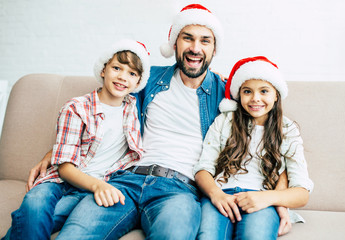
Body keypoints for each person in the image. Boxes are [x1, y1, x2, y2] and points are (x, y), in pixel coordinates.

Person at [25, 4, 292, 239]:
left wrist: (280, 202)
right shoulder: (146, 78)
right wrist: (56, 151)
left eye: (205, 41)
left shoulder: (229, 93)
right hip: (124, 181)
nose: (195, 48)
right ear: (174, 43)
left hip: (179, 190)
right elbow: (105, 110)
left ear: (214, 49)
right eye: (187, 38)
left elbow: (270, 141)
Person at [2, 38, 151, 240]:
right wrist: (97, 185)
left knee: (28, 222)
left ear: (138, 82)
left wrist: (99, 185)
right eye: (117, 68)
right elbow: (65, 168)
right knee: (34, 204)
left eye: (132, 73)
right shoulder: (77, 107)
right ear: (103, 70)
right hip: (63, 180)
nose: (123, 77)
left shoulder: (133, 107)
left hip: (93, 188)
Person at [193, 56, 314, 240]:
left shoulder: (288, 130)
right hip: (221, 195)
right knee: (208, 235)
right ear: (239, 94)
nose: (255, 98)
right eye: (247, 91)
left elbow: (302, 193)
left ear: (276, 95)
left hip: (261, 199)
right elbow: (203, 170)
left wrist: (267, 198)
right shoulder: (224, 121)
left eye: (264, 91)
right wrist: (217, 195)